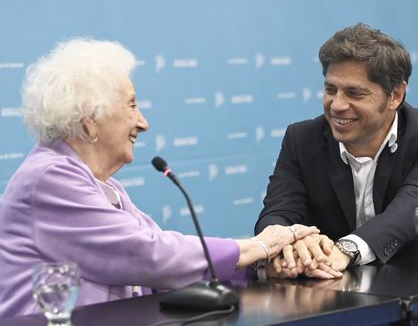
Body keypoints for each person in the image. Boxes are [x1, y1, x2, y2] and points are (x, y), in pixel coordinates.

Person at [0, 38, 320, 318]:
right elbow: (149, 255)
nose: (143, 122)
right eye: (132, 105)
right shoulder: (51, 179)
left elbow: (171, 266)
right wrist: (261, 246)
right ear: (89, 121)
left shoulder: (105, 188)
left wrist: (265, 266)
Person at [254, 23, 418, 275]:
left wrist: (346, 250)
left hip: (409, 281)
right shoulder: (301, 138)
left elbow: (413, 205)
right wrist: (289, 242)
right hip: (324, 283)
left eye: (354, 93)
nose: (337, 105)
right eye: (330, 89)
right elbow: (279, 211)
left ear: (395, 95)